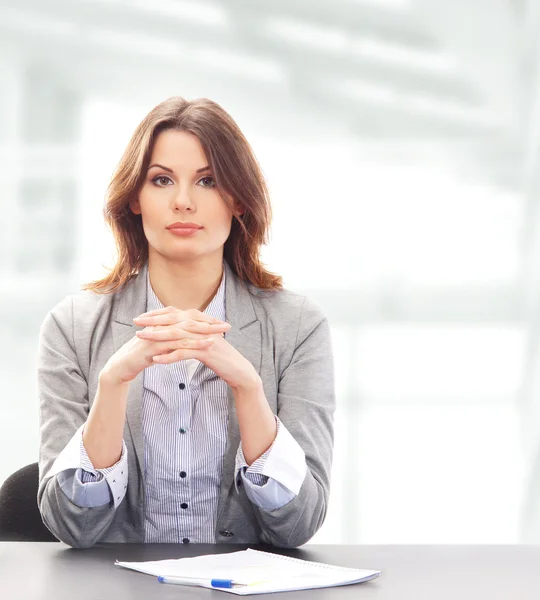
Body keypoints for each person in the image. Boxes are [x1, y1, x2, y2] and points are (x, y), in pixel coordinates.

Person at [36, 97, 335, 549]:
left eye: (208, 181)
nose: (182, 202)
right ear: (135, 198)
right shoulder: (71, 327)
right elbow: (71, 525)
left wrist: (249, 390)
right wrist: (113, 385)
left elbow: (299, 524)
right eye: (161, 180)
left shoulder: (298, 326)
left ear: (238, 199)